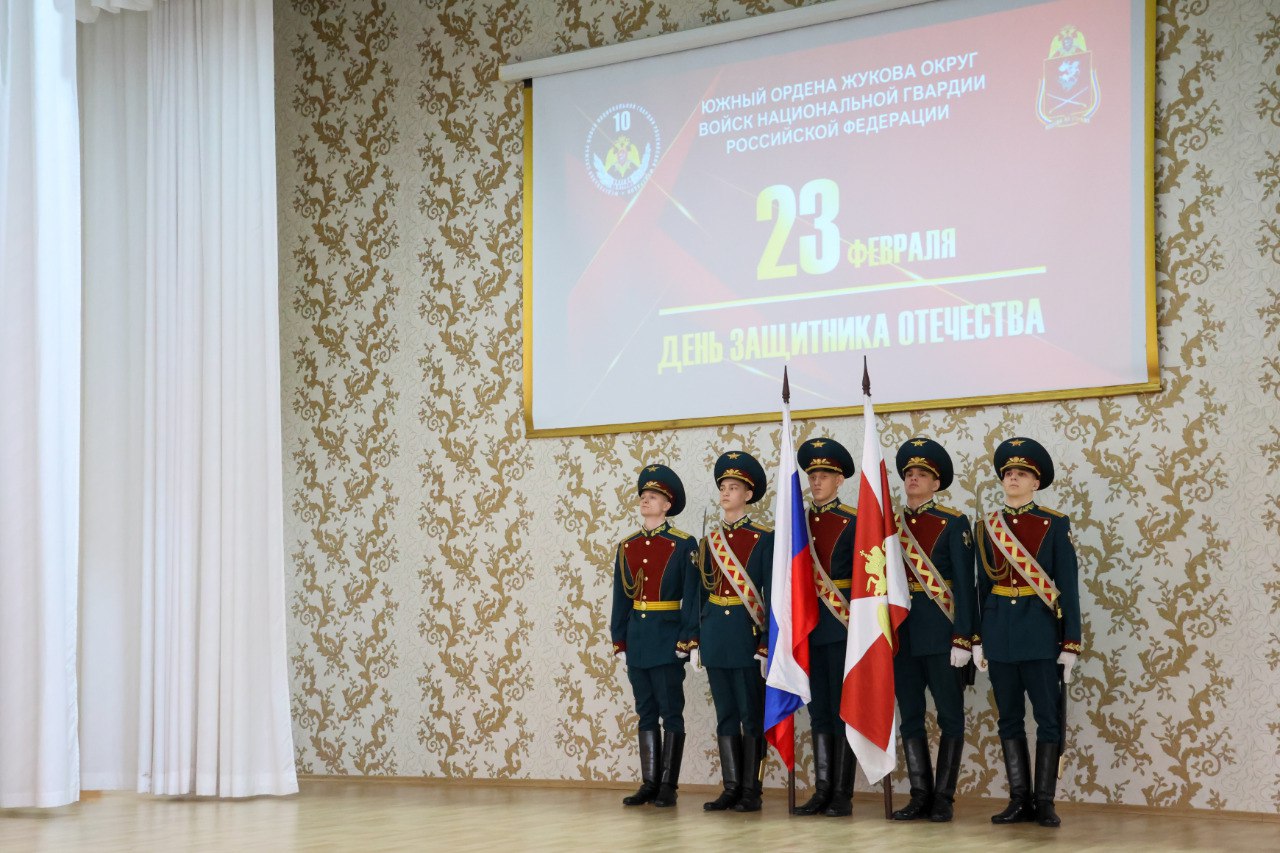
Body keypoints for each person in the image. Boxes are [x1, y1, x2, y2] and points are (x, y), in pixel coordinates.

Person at [972, 438, 1082, 829]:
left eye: (1021, 473)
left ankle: (1045, 801)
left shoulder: (1054, 523)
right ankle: (1019, 799)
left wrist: (1070, 643)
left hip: (1039, 631)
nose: (1012, 478)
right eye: (1008, 473)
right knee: (1009, 719)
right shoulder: (986, 526)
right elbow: (982, 588)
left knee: (1048, 719)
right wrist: (978, 638)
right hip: (999, 631)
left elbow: (1067, 586)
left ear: (1036, 482)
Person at [890, 438, 977, 823]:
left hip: (942, 635)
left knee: (949, 716)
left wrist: (963, 637)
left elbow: (965, 586)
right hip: (902, 636)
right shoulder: (889, 525)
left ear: (936, 483)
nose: (913, 478)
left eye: (921, 474)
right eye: (909, 473)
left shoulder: (953, 522)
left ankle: (943, 797)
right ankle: (920, 794)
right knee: (910, 716)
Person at [610, 464, 700, 808]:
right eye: (643, 496)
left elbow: (691, 597)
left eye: (653, 497)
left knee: (670, 711)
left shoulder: (683, 544)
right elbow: (621, 597)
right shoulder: (627, 546)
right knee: (645, 711)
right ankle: (649, 782)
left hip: (667, 638)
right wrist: (619, 639)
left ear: (667, 505)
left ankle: (668, 786)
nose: (645, 501)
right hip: (638, 638)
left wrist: (687, 638)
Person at [695, 451, 774, 813]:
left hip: (746, 636)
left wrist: (765, 644)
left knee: (750, 715)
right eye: (723, 487)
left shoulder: (763, 539)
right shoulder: (709, 541)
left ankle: (751, 790)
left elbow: (772, 596)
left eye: (733, 487)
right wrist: (695, 638)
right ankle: (731, 787)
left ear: (748, 494)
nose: (725, 492)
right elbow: (699, 593)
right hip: (716, 636)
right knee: (725, 714)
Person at [793, 437, 858, 817]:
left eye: (824, 476)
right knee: (818, 711)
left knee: (843, 709)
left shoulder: (854, 521)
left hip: (843, 626)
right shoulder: (796, 523)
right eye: (812, 476)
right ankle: (822, 790)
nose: (816, 482)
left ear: (839, 480)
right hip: (808, 628)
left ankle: (842, 794)